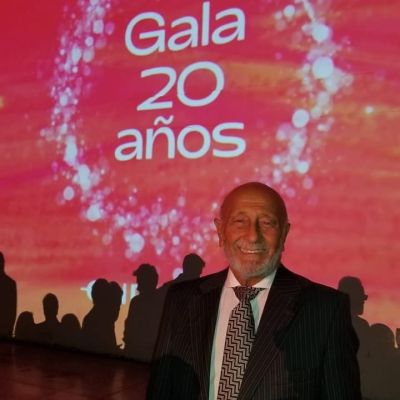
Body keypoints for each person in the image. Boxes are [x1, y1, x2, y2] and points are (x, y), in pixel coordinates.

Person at [147, 182, 361, 400]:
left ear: (284, 234)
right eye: (240, 221)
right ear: (220, 231)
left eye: (267, 223)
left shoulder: (325, 310)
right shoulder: (181, 300)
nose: (252, 236)